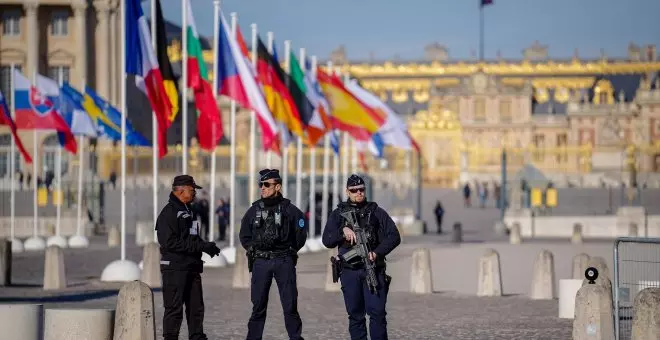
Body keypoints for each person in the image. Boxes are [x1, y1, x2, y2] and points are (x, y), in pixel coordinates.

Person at [322, 174, 401, 340]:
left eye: (361, 189)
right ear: (347, 191)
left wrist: (377, 252)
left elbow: (394, 236)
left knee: (377, 313)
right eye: (354, 190)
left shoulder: (376, 212)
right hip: (350, 272)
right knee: (355, 315)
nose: (358, 192)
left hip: (373, 268)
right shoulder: (338, 214)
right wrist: (342, 232)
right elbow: (327, 240)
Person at [239, 169, 308, 340]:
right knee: (258, 306)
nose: (263, 188)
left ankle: (295, 337)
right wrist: (252, 249)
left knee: (290, 305)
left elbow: (300, 235)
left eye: (267, 184)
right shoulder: (253, 210)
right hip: (261, 262)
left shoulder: (291, 210)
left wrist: (289, 251)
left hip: (284, 260)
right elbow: (244, 235)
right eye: (261, 184)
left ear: (277, 186)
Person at [156, 175, 221, 340]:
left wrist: (206, 246)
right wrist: (199, 246)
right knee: (174, 308)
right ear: (180, 190)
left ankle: (197, 336)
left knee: (196, 307)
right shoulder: (168, 213)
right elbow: (170, 242)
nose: (194, 194)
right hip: (175, 268)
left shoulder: (188, 211)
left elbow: (191, 238)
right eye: (192, 190)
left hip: (191, 266)